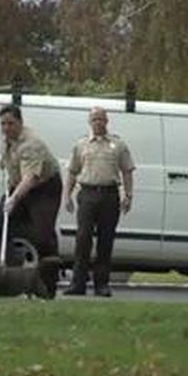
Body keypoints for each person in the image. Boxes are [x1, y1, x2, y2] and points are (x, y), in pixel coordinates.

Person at [0, 104, 63, 298]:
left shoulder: (32, 144)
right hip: (17, 184)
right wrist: (10, 193)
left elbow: (31, 178)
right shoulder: (6, 140)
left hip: (44, 188)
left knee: (42, 235)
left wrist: (15, 199)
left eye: (10, 123)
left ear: (20, 123)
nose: (6, 128)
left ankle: (47, 286)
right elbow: (9, 166)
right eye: (3, 124)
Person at [64, 107, 135, 297]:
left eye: (101, 119)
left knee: (105, 240)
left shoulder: (118, 145)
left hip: (109, 195)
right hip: (87, 194)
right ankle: (78, 283)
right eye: (94, 119)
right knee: (83, 239)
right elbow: (72, 172)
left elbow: (127, 171)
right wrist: (67, 196)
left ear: (107, 121)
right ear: (89, 122)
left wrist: (128, 196)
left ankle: (101, 284)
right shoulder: (81, 145)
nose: (98, 123)